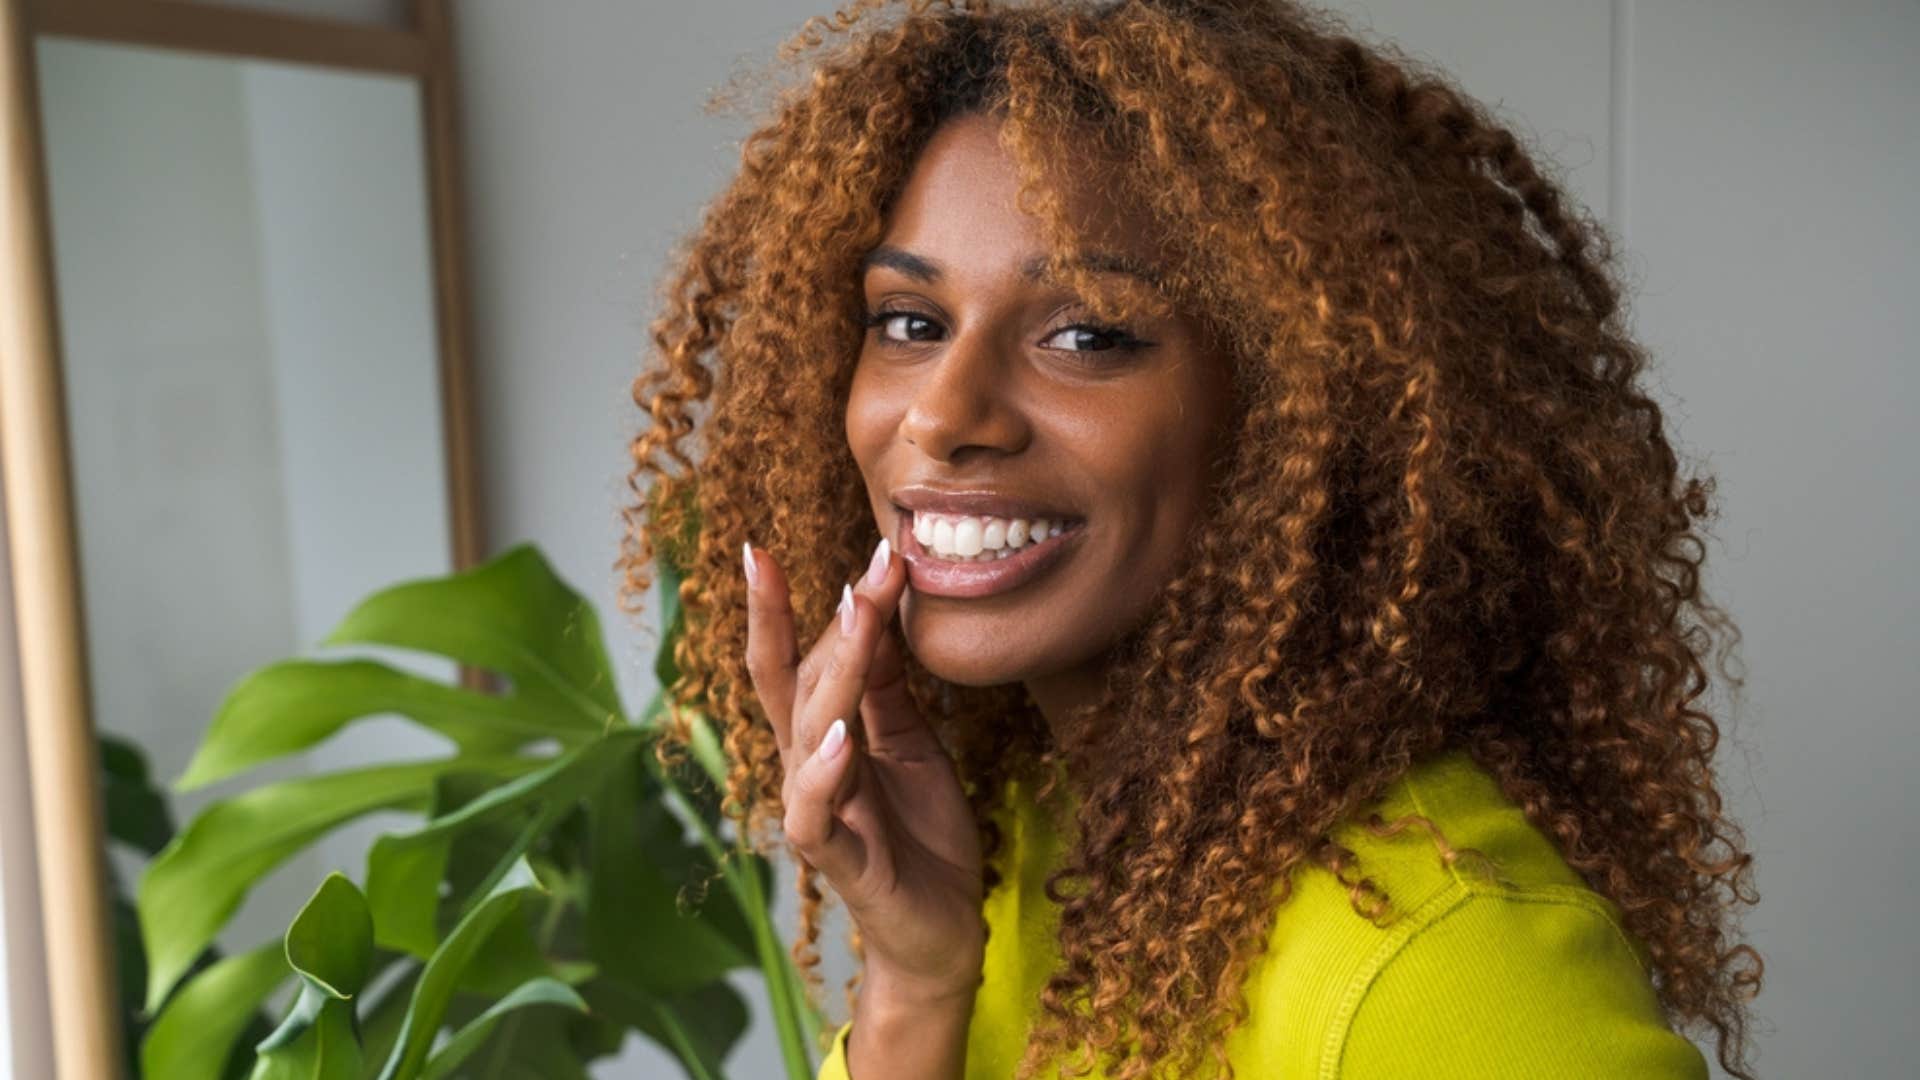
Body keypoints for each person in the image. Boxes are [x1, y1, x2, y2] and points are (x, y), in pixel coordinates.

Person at [616, 2, 1764, 1077]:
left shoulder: (1442, 966)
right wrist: (916, 989)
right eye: (910, 322)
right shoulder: (1015, 848)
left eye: (1089, 334)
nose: (943, 416)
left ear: (1298, 407)